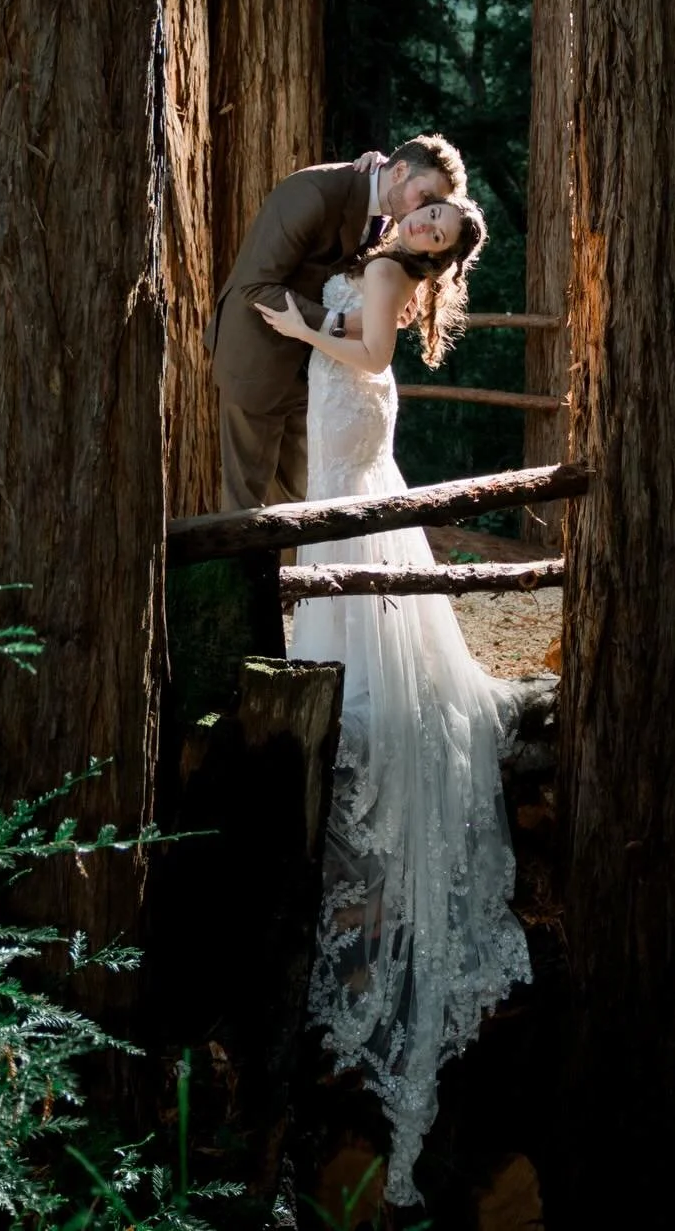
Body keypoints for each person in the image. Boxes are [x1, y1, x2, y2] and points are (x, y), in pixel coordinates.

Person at [254, 199, 531, 1206]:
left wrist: (296, 329)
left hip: (352, 407)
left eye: (438, 232)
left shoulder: (381, 277)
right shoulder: (376, 251)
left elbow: (371, 357)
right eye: (429, 212)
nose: (424, 223)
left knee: (349, 541)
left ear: (435, 255)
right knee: (341, 537)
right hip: (348, 429)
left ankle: (355, 699)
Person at [208, 134, 466, 512]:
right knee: (247, 505)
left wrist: (391, 305)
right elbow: (256, 284)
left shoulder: (390, 214)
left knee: (301, 505)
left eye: (434, 206)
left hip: (316, 375)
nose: (424, 211)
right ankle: (239, 574)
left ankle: (288, 574)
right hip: (257, 360)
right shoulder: (313, 192)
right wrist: (338, 321)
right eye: (425, 199)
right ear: (398, 171)